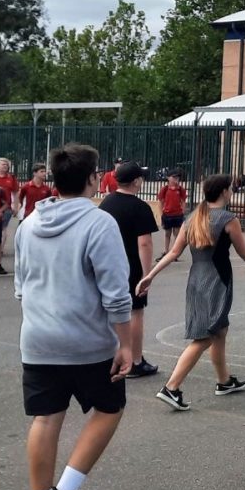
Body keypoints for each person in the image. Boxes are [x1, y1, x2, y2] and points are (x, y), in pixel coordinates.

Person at [13, 142, 132, 490]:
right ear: (91, 179)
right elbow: (116, 293)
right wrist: (126, 343)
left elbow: (20, 286)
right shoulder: (99, 223)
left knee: (46, 417)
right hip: (85, 339)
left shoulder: (29, 224)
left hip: (38, 337)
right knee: (109, 407)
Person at [139, 173, 245, 411]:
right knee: (205, 336)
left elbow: (173, 253)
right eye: (230, 189)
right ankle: (171, 387)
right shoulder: (228, 219)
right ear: (224, 192)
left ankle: (224, 381)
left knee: (220, 329)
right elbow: (243, 250)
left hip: (197, 278)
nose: (232, 192)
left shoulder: (193, 217)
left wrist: (151, 275)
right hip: (217, 280)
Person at [99, 161, 161, 380]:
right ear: (136, 181)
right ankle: (135, 360)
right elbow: (144, 243)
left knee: (111, 311)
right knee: (135, 312)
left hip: (108, 263)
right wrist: (147, 275)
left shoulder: (106, 203)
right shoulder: (139, 207)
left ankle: (112, 357)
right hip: (131, 265)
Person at [156, 171, 187, 258]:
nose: (176, 179)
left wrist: (182, 212)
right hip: (167, 215)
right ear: (168, 178)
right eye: (173, 177)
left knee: (176, 234)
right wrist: (162, 213)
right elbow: (161, 202)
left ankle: (175, 252)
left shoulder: (180, 190)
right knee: (167, 233)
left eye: (177, 178)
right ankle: (166, 251)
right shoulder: (165, 189)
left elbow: (183, 202)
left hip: (177, 215)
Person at [0, 156, 20, 254]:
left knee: (3, 227)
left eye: (7, 165)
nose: (5, 166)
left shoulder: (11, 178)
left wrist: (16, 205)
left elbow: (15, 192)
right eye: (3, 164)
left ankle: (0, 249)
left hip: (7, 206)